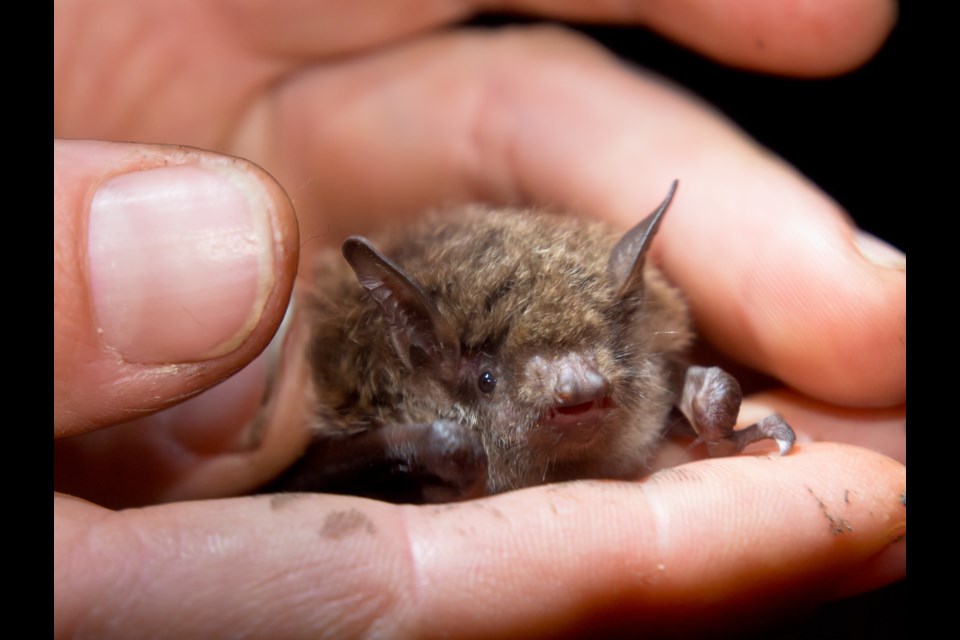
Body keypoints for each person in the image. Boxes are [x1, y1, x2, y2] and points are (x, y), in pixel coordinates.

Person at [54, 1, 905, 636]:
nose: (580, 385)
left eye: (595, 352)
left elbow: (658, 365)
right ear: (433, 354)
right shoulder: (432, 431)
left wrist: (713, 424)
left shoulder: (643, 375)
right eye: (497, 377)